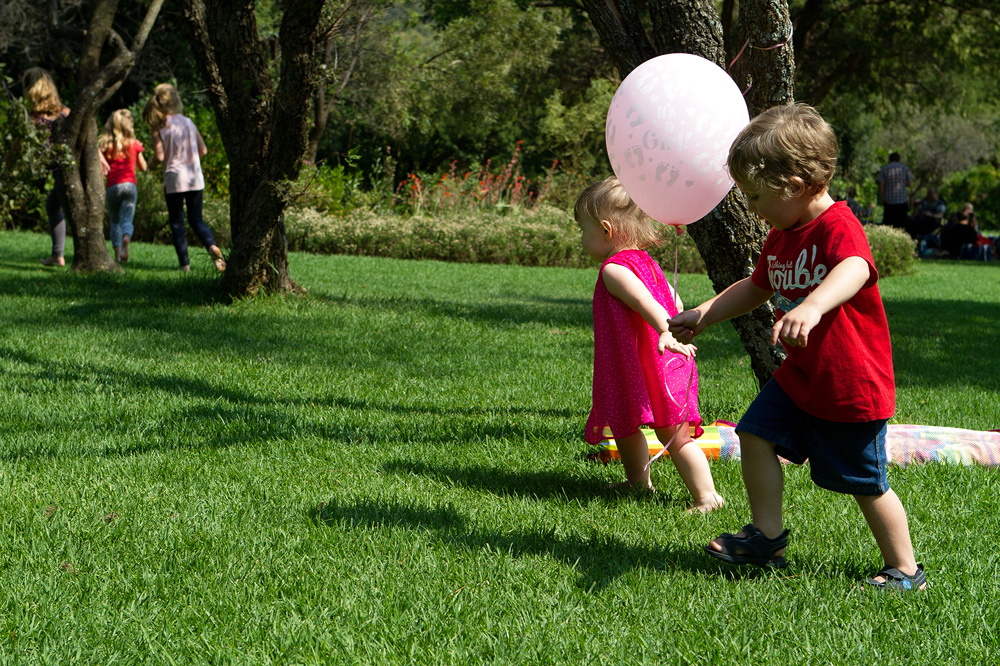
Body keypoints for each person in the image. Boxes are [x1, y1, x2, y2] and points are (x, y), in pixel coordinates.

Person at [668, 104, 925, 591]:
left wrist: (813, 305)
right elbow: (756, 286)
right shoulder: (781, 236)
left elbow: (855, 268)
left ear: (795, 184)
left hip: (849, 382)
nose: (752, 207)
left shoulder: (837, 225)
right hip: (801, 375)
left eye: (756, 195)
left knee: (865, 483)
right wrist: (704, 314)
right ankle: (767, 538)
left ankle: (906, 569)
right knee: (755, 435)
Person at [576, 176, 724, 512]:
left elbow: (648, 303)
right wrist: (675, 324)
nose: (581, 238)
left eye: (583, 229)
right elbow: (673, 299)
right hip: (659, 359)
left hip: (655, 358)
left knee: (673, 435)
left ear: (605, 229)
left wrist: (664, 331)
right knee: (626, 423)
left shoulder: (614, 270)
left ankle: (707, 497)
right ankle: (637, 483)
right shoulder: (647, 262)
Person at [142, 83, 225, 272]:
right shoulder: (188, 122)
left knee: (177, 222)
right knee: (197, 220)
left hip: (174, 179)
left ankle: (184, 265)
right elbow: (203, 150)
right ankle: (211, 246)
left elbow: (160, 156)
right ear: (175, 100)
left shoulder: (158, 126)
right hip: (195, 177)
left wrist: (150, 165)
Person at [23, 68, 70, 267]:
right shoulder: (64, 112)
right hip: (64, 168)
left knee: (59, 206)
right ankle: (57, 255)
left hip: (62, 169)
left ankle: (60, 255)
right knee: (53, 204)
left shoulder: (33, 118)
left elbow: (18, 145)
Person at [99, 109, 147, 264]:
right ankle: (126, 238)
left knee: (115, 221)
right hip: (129, 186)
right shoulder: (134, 144)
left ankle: (118, 255)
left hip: (112, 187)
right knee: (127, 220)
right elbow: (143, 167)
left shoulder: (106, 146)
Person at [876, 152, 912, 230]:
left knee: (889, 224)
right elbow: (909, 184)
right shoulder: (904, 169)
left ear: (890, 159)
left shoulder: (884, 169)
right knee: (901, 224)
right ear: (899, 159)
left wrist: (881, 197)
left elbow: (881, 185)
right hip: (902, 201)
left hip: (889, 201)